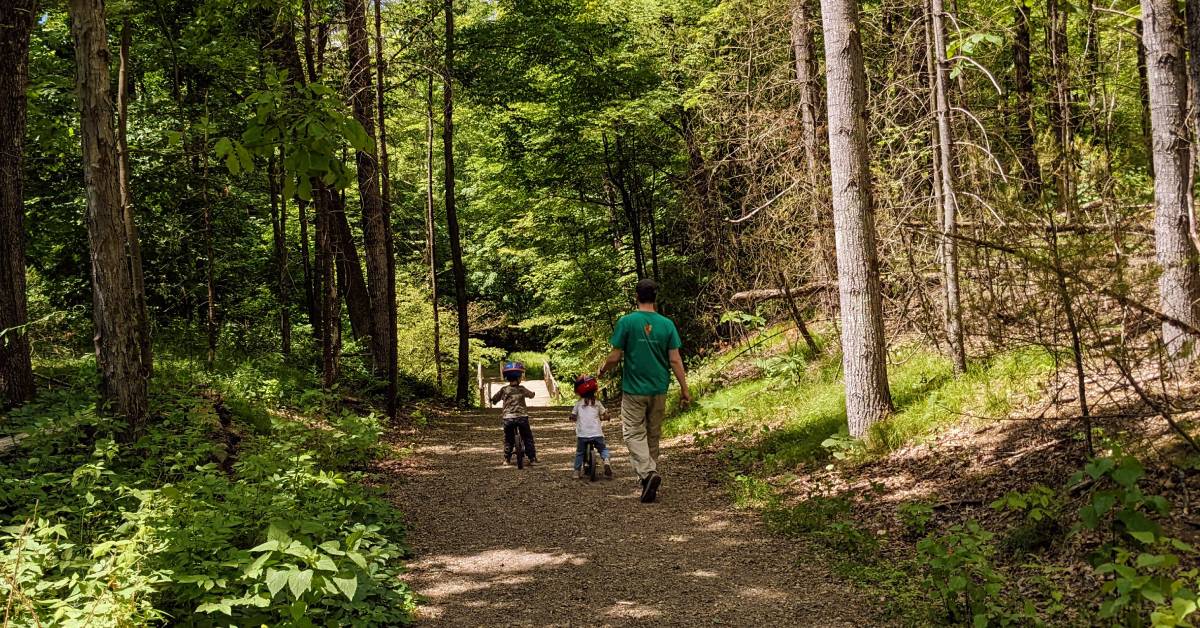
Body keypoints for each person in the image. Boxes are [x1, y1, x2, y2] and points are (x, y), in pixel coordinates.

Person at [599, 278, 691, 503]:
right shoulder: (667, 325)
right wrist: (684, 389)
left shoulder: (627, 322)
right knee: (652, 434)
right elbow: (675, 360)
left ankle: (648, 473)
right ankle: (648, 477)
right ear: (655, 297)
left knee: (632, 433)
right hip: (659, 388)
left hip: (633, 390)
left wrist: (603, 369)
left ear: (636, 297)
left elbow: (615, 355)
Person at [490, 361, 537, 465]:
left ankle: (507, 459)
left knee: (508, 438)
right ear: (519, 378)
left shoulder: (504, 390)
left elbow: (495, 398)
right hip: (522, 417)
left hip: (508, 418)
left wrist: (493, 400)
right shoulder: (522, 389)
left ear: (507, 378)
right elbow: (530, 395)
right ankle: (532, 458)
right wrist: (533, 394)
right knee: (527, 437)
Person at [570, 374, 612, 480]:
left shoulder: (578, 404)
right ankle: (606, 461)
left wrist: (572, 417)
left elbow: (573, 416)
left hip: (583, 434)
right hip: (597, 433)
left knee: (580, 452)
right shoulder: (597, 403)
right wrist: (606, 416)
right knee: (603, 449)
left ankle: (576, 471)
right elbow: (604, 415)